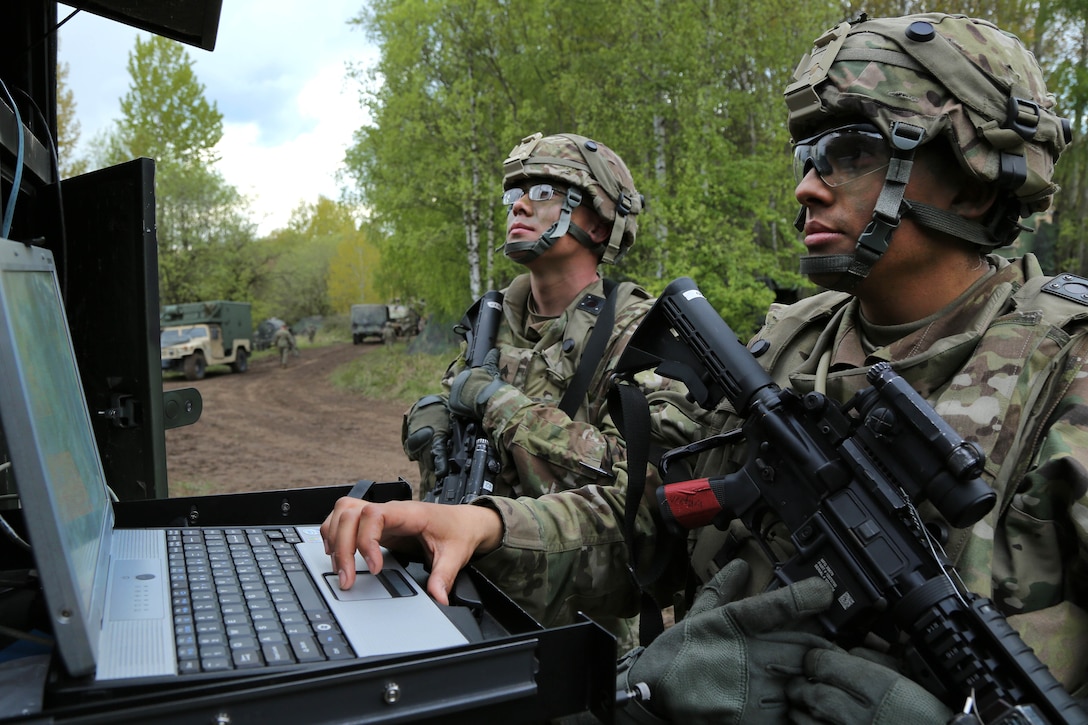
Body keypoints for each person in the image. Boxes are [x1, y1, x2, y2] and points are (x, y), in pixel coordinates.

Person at [322, 13, 1087, 723]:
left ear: (975, 169)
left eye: (852, 153)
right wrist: (485, 525)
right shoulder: (791, 344)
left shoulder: (1069, 371)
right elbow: (648, 525)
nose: (806, 185)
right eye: (807, 154)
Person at [400, 131, 696, 650]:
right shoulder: (494, 322)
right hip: (461, 588)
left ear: (599, 221)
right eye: (516, 193)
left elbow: (638, 492)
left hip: (576, 624)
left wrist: (503, 406)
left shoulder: (640, 335)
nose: (519, 203)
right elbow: (461, 418)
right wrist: (429, 419)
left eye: (544, 193)